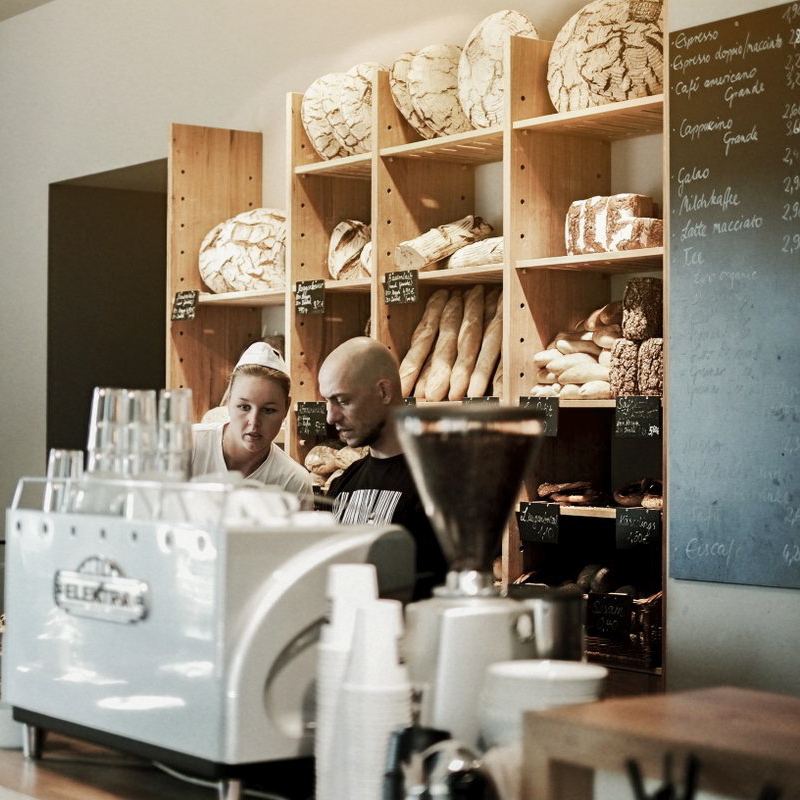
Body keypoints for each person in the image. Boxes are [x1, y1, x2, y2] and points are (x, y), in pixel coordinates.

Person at [318, 336, 448, 599]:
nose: (331, 417)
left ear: (384, 392)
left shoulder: (439, 483)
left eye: (343, 401)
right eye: (327, 402)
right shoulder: (344, 482)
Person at [191, 341, 313, 506]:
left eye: (268, 410)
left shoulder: (293, 482)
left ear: (286, 407)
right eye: (244, 407)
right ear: (229, 401)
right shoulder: (188, 445)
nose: (254, 422)